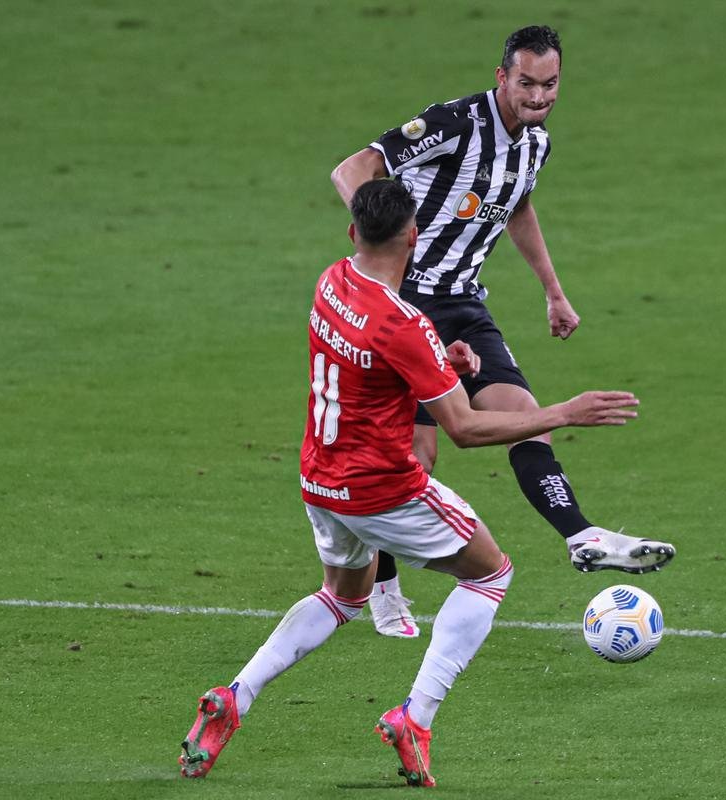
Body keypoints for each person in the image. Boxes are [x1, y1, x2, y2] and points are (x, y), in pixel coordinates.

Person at [178, 179, 640, 787]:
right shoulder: (403, 325)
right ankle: (414, 717)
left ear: (354, 233)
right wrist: (563, 412)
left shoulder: (333, 279)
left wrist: (442, 362)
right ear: (415, 236)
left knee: (343, 596)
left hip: (320, 479)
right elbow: (466, 430)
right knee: (491, 573)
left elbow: (370, 362)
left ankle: (236, 696)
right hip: (382, 488)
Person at [331, 25, 675, 638]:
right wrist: (376, 238)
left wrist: (553, 289)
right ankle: (383, 589)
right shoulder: (454, 122)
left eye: (550, 85)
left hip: (464, 305)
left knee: (524, 412)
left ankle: (580, 534)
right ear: (502, 78)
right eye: (526, 84)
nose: (538, 97)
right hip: (404, 305)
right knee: (416, 457)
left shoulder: (535, 144)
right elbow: (353, 168)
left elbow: (515, 205)